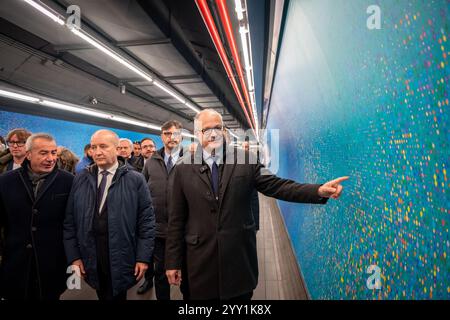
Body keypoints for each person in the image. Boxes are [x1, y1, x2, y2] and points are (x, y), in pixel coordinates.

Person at [165, 109, 349, 300]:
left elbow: (278, 186)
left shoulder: (247, 160)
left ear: (224, 131)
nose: (213, 133)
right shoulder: (182, 169)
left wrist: (317, 190)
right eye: (206, 129)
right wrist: (172, 262)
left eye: (218, 128)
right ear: (196, 134)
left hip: (238, 264)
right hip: (199, 265)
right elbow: (176, 220)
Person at [64, 129, 155, 300]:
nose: (97, 152)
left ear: (116, 148)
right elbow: (70, 221)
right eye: (94, 147)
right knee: (102, 293)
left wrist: (143, 258)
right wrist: (74, 256)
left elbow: (147, 221)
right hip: (91, 254)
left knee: (118, 295)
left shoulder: (135, 179)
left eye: (103, 146)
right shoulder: (81, 178)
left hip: (123, 254)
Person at [0, 133, 74, 300]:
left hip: (52, 262)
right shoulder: (6, 181)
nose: (50, 158)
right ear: (28, 154)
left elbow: (73, 223)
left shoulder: (68, 182)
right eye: (43, 153)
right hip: (16, 261)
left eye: (53, 152)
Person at [138, 120, 184, 299]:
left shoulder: (192, 159)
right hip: (159, 230)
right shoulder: (151, 162)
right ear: (161, 136)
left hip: (185, 230)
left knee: (189, 274)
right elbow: (142, 192)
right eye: (167, 133)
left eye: (175, 134)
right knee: (161, 273)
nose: (171, 137)